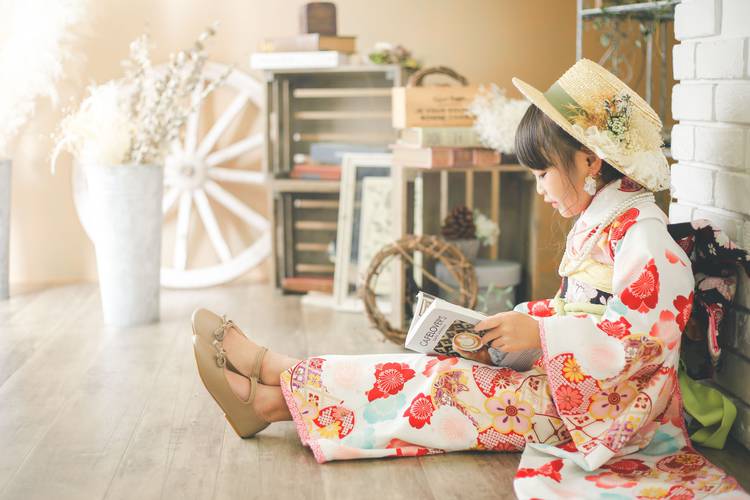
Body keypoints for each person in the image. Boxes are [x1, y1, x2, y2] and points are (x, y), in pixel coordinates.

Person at [191, 59, 747, 498]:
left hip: (604, 418)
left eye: (542, 173)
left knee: (446, 386)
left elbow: (643, 345)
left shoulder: (644, 238)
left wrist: (543, 336)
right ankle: (278, 378)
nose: (540, 189)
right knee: (435, 369)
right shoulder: (604, 225)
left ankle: (272, 395)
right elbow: (581, 311)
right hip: (573, 391)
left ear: (589, 161)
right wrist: (517, 326)